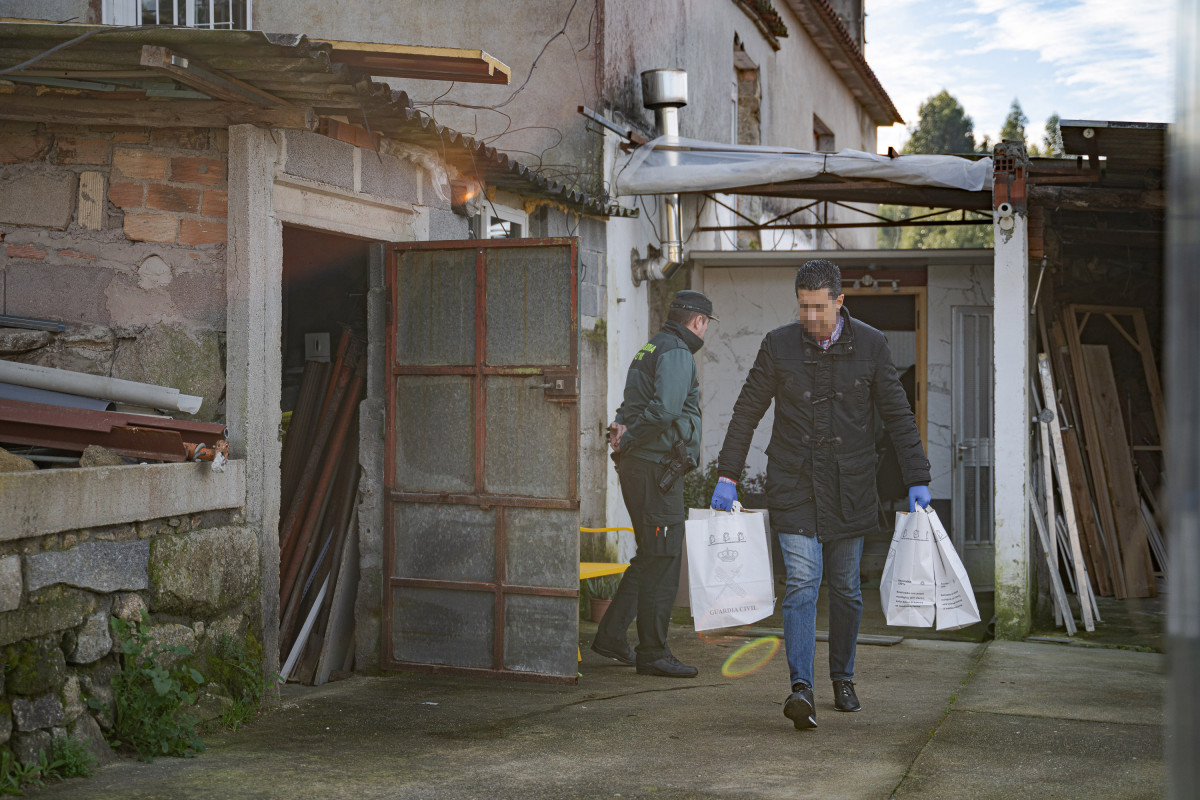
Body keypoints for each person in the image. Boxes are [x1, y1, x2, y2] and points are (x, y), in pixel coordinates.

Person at [709, 260, 931, 728]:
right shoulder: (779, 345)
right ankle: (801, 688)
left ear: (839, 301)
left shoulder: (871, 345)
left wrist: (918, 477)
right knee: (803, 584)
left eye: (818, 307)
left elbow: (897, 414)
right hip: (794, 483)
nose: (810, 317)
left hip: (851, 486)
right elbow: (747, 409)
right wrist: (728, 473)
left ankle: (843, 678)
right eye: (803, 307)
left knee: (847, 590)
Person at [591, 290, 717, 678]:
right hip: (654, 468)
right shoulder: (677, 352)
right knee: (663, 558)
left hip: (642, 467)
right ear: (698, 322)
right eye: (707, 324)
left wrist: (622, 428)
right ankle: (653, 652)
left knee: (651, 553)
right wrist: (628, 437)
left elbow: (634, 404)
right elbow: (663, 409)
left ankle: (612, 635)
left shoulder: (650, 348)